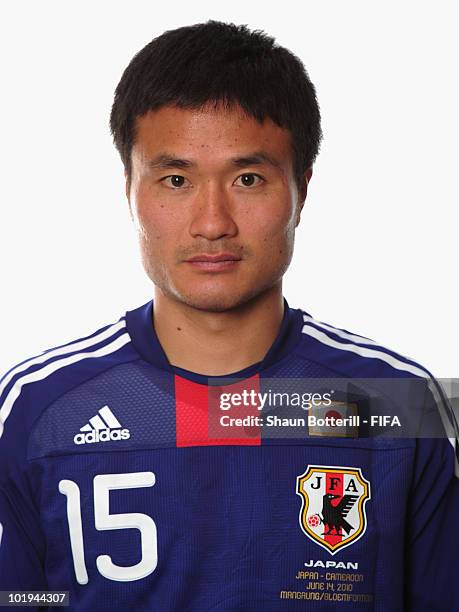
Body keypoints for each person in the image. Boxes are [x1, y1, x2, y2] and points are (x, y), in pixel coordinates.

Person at [0, 20, 457, 611]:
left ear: (302, 189)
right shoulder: (38, 407)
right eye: (175, 179)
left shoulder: (397, 401)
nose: (212, 222)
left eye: (247, 179)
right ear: (128, 190)